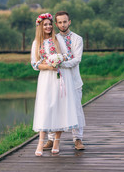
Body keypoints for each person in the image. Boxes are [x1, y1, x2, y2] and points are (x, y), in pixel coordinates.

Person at [31, 13, 78, 156]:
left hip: (59, 78)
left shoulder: (57, 40)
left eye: (50, 24)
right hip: (46, 78)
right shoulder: (36, 43)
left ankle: (56, 140)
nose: (48, 26)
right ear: (40, 26)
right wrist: (48, 66)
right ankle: (40, 142)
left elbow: (68, 55)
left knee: (60, 106)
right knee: (45, 107)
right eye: (45, 24)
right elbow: (34, 64)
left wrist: (58, 59)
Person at [43, 11, 85, 151]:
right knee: (53, 107)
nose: (62, 24)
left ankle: (77, 139)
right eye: (59, 22)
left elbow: (76, 59)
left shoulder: (77, 39)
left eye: (65, 21)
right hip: (57, 80)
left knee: (77, 109)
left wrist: (60, 63)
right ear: (56, 24)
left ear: (69, 22)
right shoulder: (52, 39)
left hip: (73, 80)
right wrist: (53, 63)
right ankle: (51, 139)